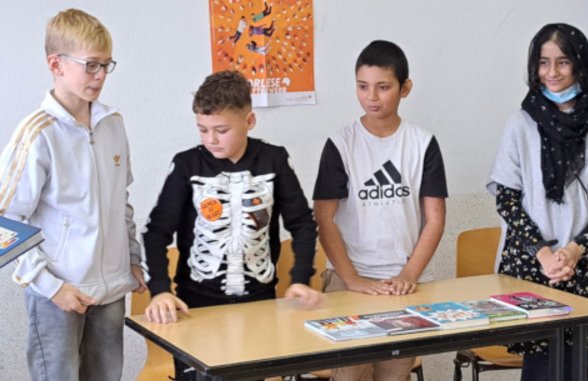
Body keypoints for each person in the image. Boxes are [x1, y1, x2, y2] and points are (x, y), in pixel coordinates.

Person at [142, 70, 322, 380]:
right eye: (203, 130)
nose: (211, 139)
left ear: (249, 122)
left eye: (221, 130)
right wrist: (159, 290)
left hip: (258, 305)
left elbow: (302, 223)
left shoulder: (274, 160)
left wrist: (300, 277)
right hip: (195, 307)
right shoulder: (187, 165)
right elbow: (157, 231)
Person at [0, 9, 146, 381]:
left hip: (111, 288)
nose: (99, 76)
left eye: (106, 65)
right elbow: (4, 221)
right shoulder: (37, 133)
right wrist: (51, 286)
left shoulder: (113, 124)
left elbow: (120, 202)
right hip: (57, 294)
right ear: (56, 64)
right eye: (91, 65)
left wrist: (132, 259)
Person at [486, 23, 588, 380]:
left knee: (577, 362)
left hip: (586, 260)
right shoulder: (520, 124)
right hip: (533, 261)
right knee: (539, 364)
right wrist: (545, 254)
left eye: (562, 62)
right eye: (543, 63)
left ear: (580, 65)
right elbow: (507, 199)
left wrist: (575, 251)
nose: (552, 73)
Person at [313, 40, 447, 381]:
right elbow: (324, 218)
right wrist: (352, 279)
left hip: (405, 283)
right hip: (348, 281)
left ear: (405, 88)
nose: (371, 96)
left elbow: (434, 219)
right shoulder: (340, 144)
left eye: (383, 87)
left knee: (394, 375)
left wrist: (408, 276)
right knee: (349, 375)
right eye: (362, 86)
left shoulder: (422, 143)